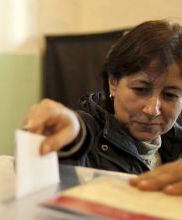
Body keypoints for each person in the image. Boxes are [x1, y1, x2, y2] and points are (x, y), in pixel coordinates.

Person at [24, 20, 182, 193]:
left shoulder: (176, 144)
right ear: (113, 83)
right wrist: (66, 139)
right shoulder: (86, 132)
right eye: (141, 89)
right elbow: (76, 139)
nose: (152, 110)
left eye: (170, 95)